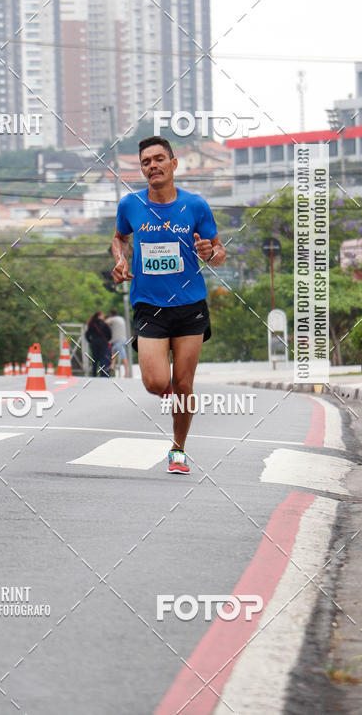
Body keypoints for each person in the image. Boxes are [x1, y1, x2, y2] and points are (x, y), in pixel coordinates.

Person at [111, 135, 226, 474]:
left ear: (173, 164)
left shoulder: (196, 206)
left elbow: (219, 251)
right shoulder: (130, 205)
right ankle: (170, 393)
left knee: (185, 384)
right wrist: (120, 259)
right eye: (146, 162)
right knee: (157, 383)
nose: (153, 166)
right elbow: (120, 237)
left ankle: (178, 449)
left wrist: (210, 253)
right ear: (142, 169)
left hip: (190, 305)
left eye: (159, 159)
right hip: (150, 305)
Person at [85, 312, 112, 377]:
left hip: (94, 342)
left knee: (94, 359)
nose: (103, 317)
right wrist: (106, 340)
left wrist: (90, 341)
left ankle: (94, 374)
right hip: (103, 343)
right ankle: (102, 374)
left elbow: (87, 334)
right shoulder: (104, 324)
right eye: (102, 315)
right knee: (102, 358)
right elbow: (109, 334)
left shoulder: (92, 323)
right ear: (99, 316)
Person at [106, 308, 129, 377]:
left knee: (123, 356)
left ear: (111, 314)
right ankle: (112, 365)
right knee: (113, 351)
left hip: (119, 340)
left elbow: (105, 322)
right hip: (121, 339)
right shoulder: (120, 318)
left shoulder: (113, 319)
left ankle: (127, 373)